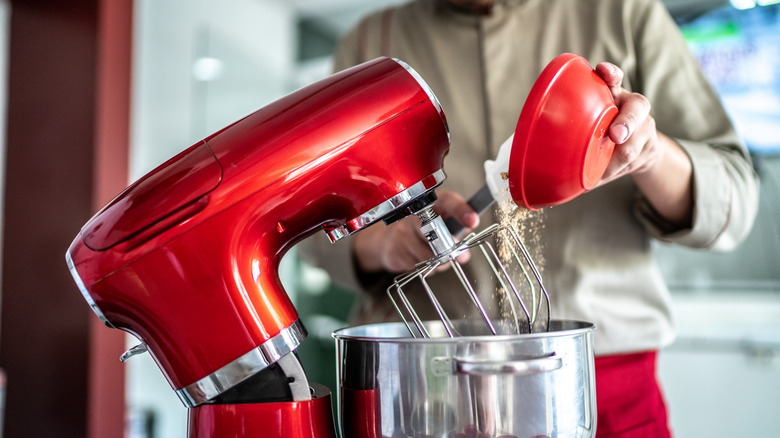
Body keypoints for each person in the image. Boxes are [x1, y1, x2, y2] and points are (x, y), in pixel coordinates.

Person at [299, 0, 759, 436]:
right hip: (427, 392)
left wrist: (651, 155)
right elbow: (311, 231)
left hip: (600, 384)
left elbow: (734, 197)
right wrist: (380, 243)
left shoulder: (621, 12)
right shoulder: (371, 43)